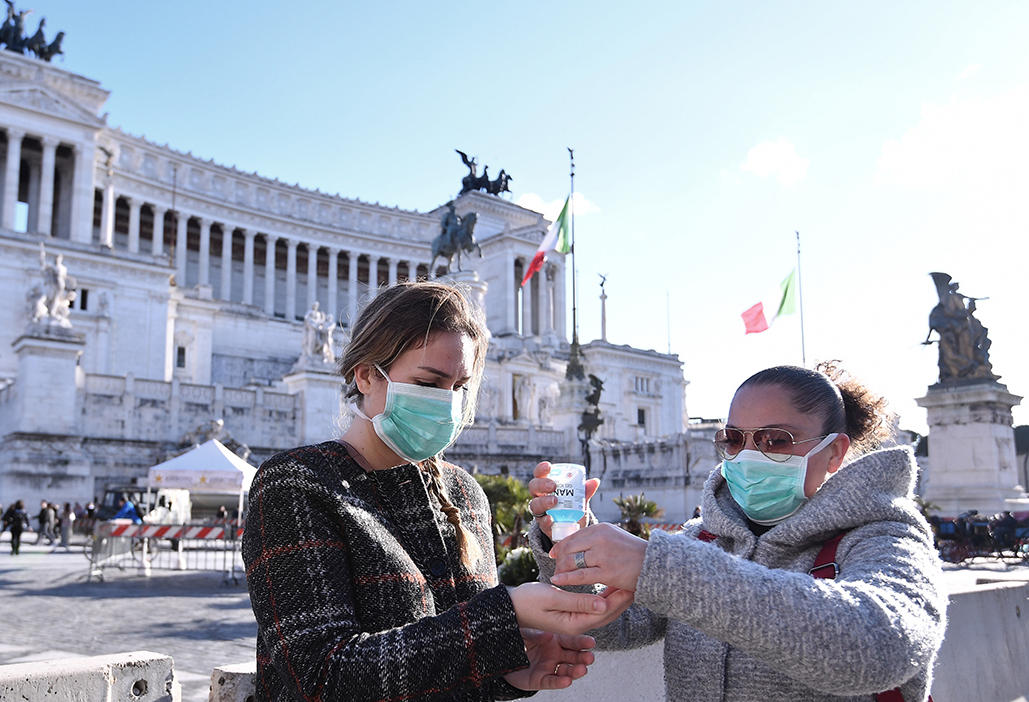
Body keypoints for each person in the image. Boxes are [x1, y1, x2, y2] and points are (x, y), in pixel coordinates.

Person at [243, 282, 628, 702]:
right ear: (367, 374)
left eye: (459, 387)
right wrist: (505, 613)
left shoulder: (465, 494)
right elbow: (321, 678)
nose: (447, 404)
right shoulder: (297, 484)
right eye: (429, 383)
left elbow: (445, 663)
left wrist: (507, 673)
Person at [528, 363, 947, 702]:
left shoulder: (885, 536)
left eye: (775, 440)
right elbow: (610, 627)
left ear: (833, 451)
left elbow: (878, 646)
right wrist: (567, 545)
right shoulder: (703, 538)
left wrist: (658, 566)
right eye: (734, 439)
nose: (749, 455)